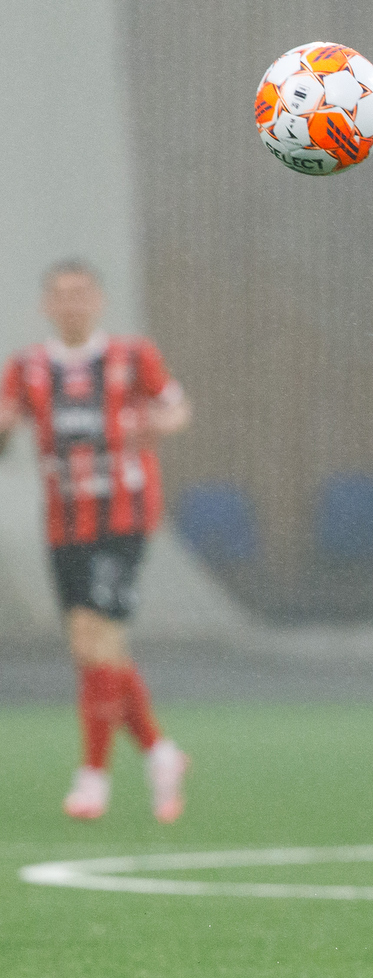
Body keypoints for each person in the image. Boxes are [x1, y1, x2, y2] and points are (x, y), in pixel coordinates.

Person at [0, 261, 193, 822]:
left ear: (100, 302)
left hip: (124, 517)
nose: (71, 304)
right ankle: (160, 753)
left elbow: (177, 406)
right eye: (60, 295)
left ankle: (94, 778)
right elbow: (6, 425)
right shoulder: (28, 367)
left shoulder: (133, 357)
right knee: (93, 649)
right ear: (45, 306)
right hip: (64, 522)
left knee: (96, 637)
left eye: (81, 294)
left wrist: (163, 424)